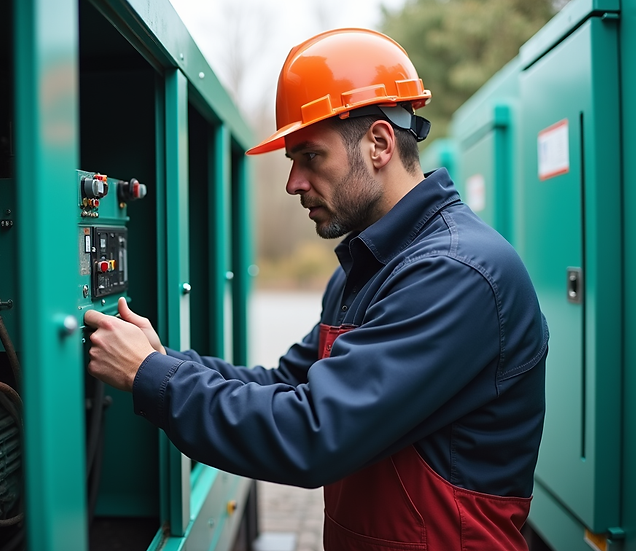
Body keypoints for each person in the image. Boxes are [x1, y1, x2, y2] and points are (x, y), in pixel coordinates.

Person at [84, 28, 548, 551]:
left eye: (310, 156)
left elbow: (312, 433)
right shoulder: (370, 265)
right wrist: (164, 358)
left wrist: (152, 378)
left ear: (378, 143)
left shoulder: (455, 273)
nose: (293, 183)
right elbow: (286, 382)